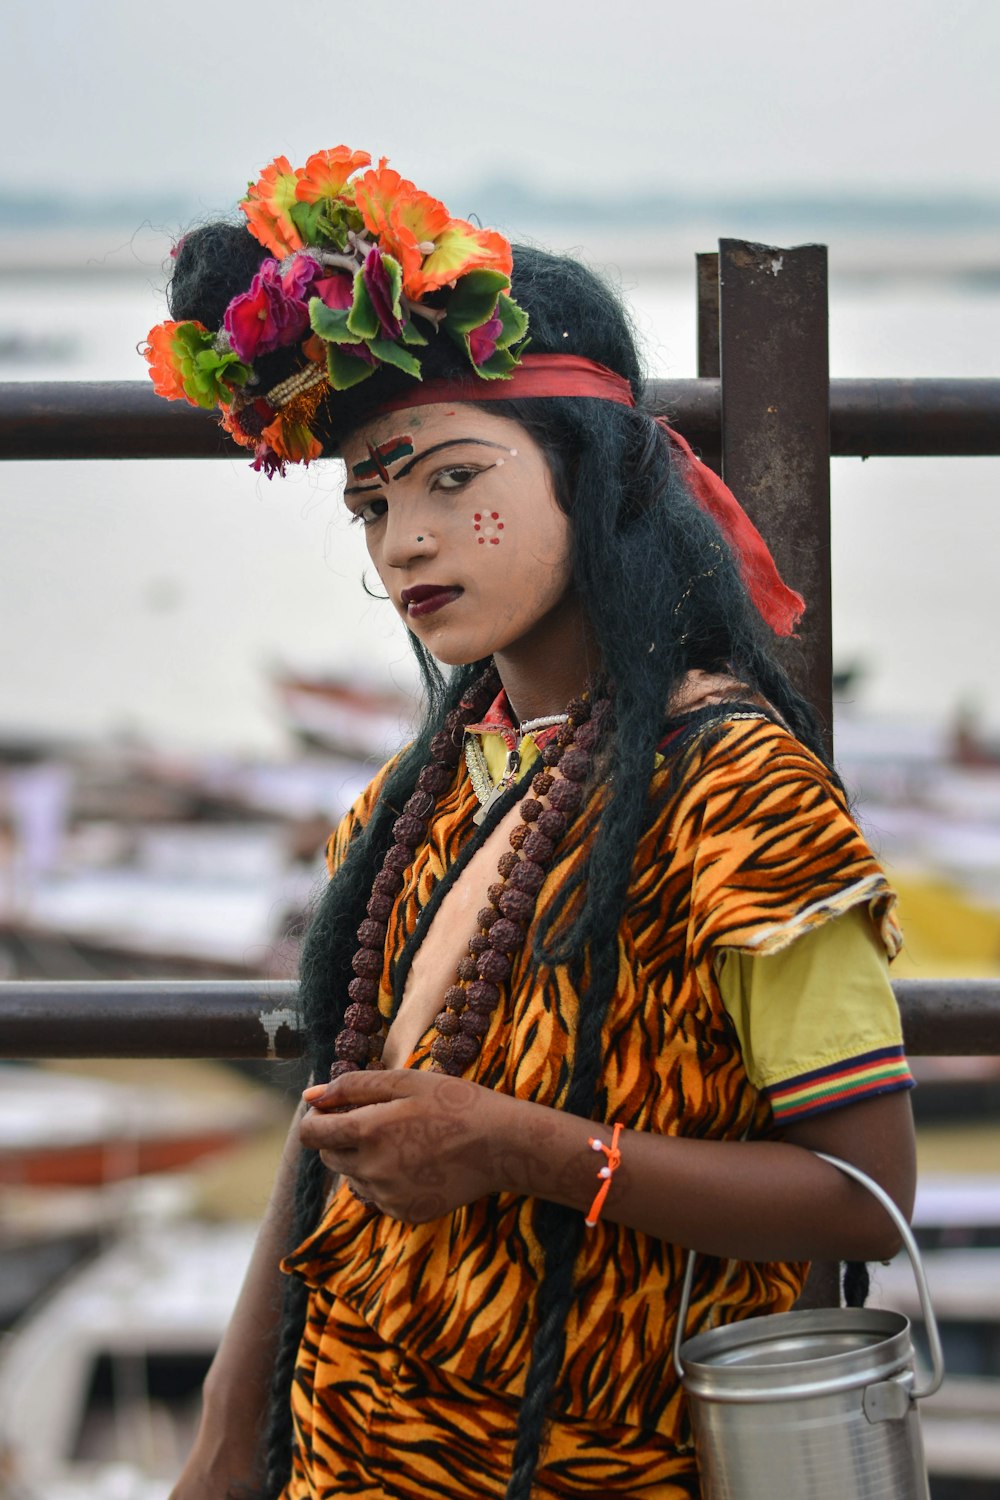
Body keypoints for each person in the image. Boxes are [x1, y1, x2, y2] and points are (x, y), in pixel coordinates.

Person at [147, 147, 916, 1500]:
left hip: (584, 1465)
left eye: (452, 480)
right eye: (373, 503)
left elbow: (864, 1196)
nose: (403, 544)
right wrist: (223, 1435)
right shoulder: (424, 786)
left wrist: (527, 1150)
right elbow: (326, 1128)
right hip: (339, 1457)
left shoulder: (740, 797)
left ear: (598, 476)